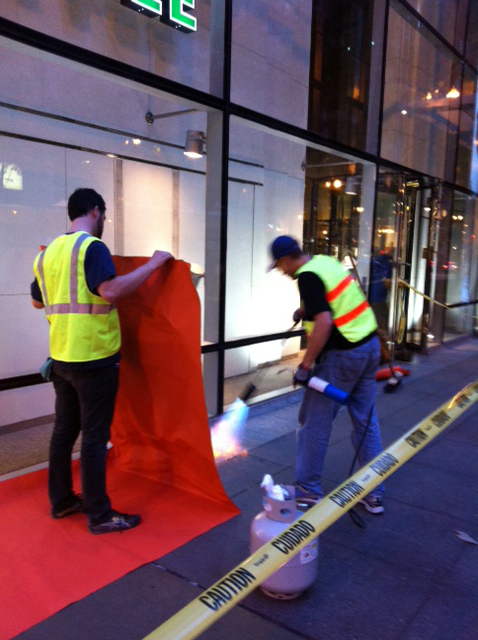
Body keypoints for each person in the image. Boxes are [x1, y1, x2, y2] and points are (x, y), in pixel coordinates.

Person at [31, 188, 173, 534]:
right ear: (96, 211)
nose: (104, 222)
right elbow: (109, 291)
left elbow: (37, 302)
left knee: (64, 432)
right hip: (93, 357)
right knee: (95, 437)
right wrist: (154, 264)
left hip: (61, 357)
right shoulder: (91, 247)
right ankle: (99, 514)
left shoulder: (48, 253)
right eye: (104, 216)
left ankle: (62, 501)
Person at [268, 235, 385, 514]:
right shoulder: (324, 262)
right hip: (369, 347)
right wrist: (304, 309)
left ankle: (307, 490)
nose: (282, 272)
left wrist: (306, 366)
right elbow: (334, 300)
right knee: (365, 422)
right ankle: (374, 493)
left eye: (280, 266)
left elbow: (325, 321)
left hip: (343, 358)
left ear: (285, 260)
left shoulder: (306, 277)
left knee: (314, 423)